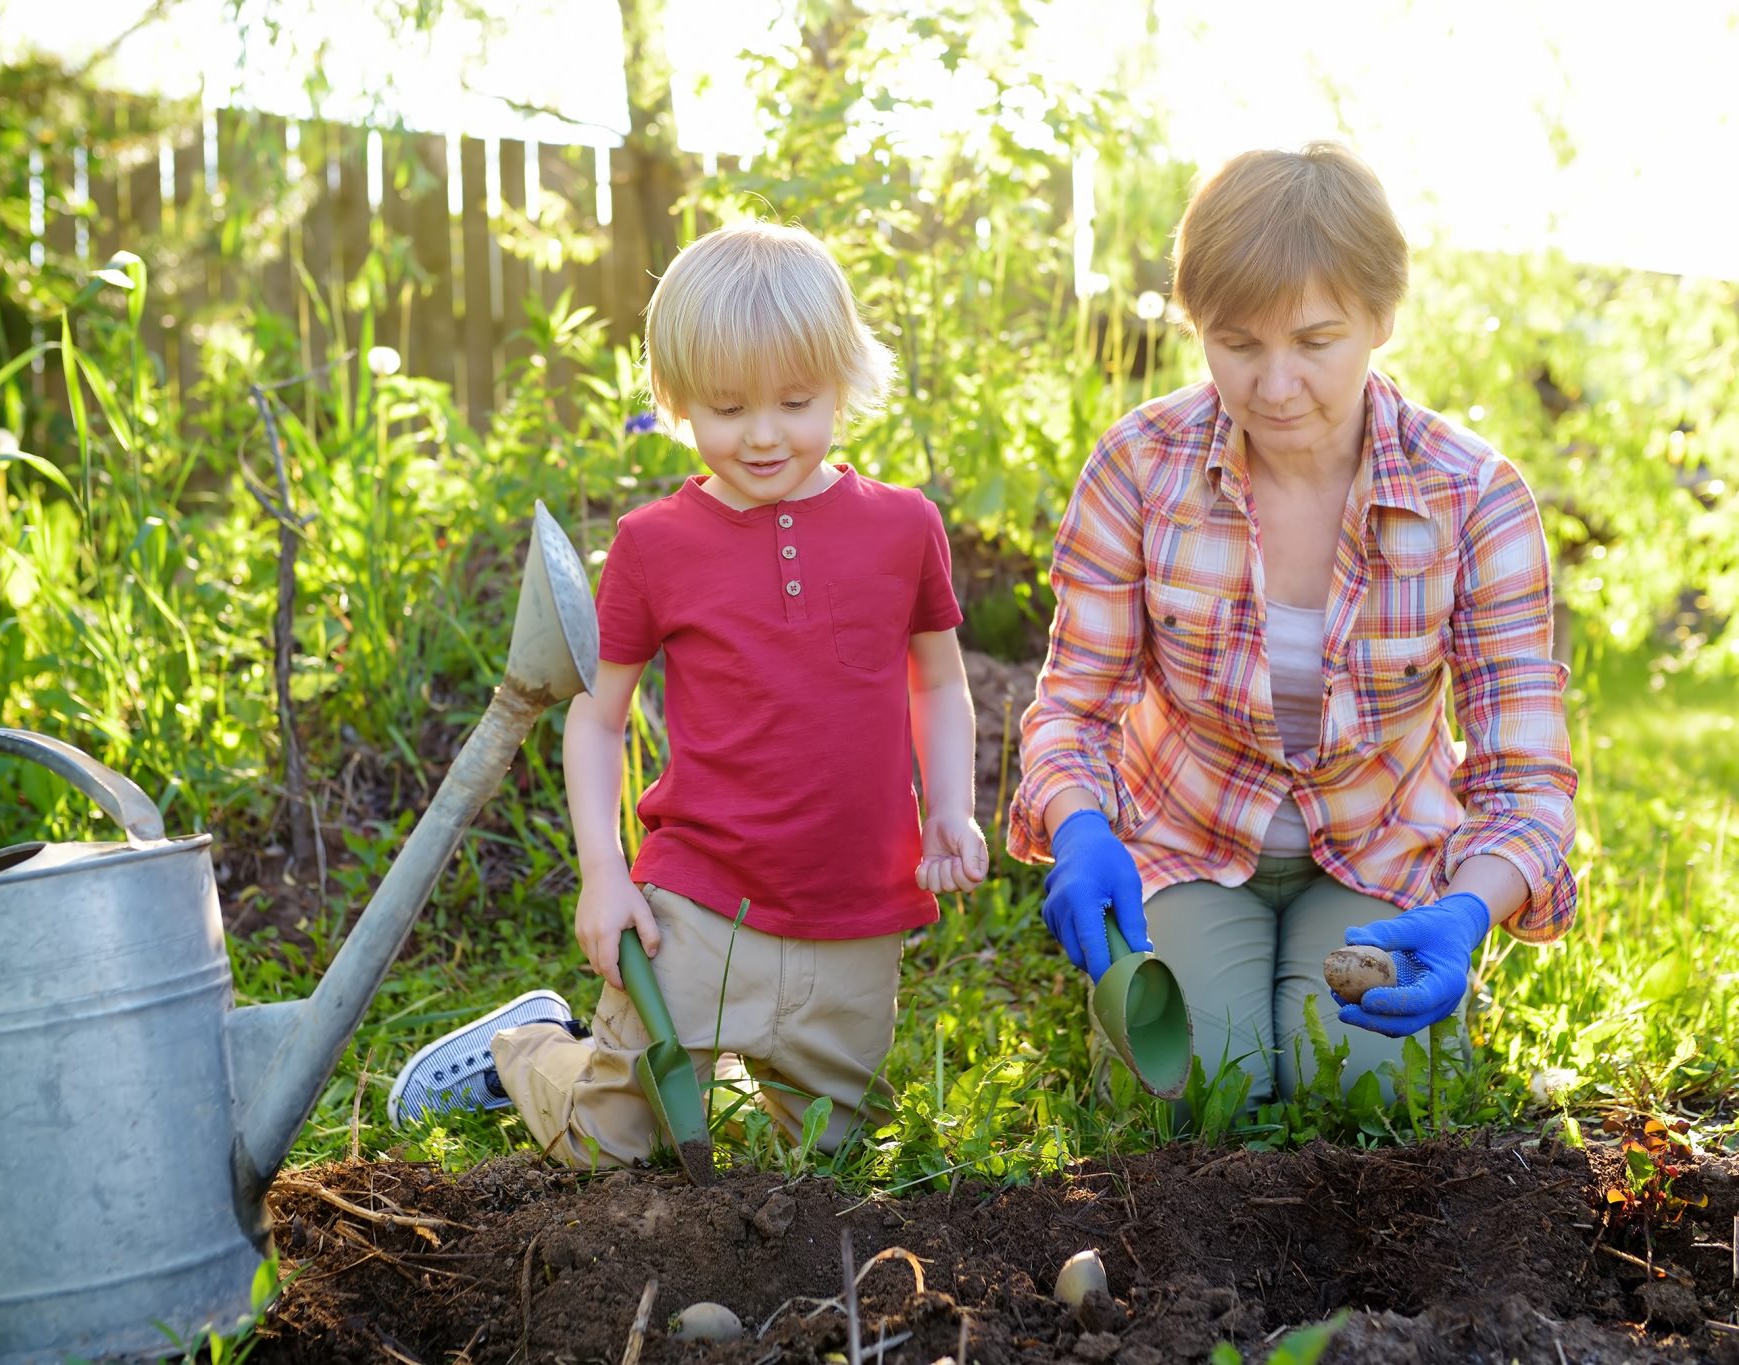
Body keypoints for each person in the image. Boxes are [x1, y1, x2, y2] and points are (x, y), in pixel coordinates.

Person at [389, 221, 989, 1166]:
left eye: (795, 401)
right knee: (615, 1141)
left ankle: (773, 1071)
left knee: (832, 1165)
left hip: (857, 905)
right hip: (698, 902)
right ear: (674, 400)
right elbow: (597, 715)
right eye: (725, 407)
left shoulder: (903, 527)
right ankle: (527, 1054)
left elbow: (942, 680)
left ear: (844, 378)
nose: (760, 434)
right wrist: (604, 869)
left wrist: (950, 807)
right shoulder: (655, 543)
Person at [1010, 144, 1578, 1108]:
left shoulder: (1474, 495)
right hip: (1188, 838)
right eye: (1238, 343)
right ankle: (1197, 983)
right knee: (1190, 1086)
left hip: (1381, 842)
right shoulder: (1141, 468)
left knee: (1365, 1083)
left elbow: (1524, 772)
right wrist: (1079, 827)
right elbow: (1074, 706)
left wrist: (1467, 909)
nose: (1274, 387)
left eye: (1315, 341)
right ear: (1198, 327)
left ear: (1380, 318)